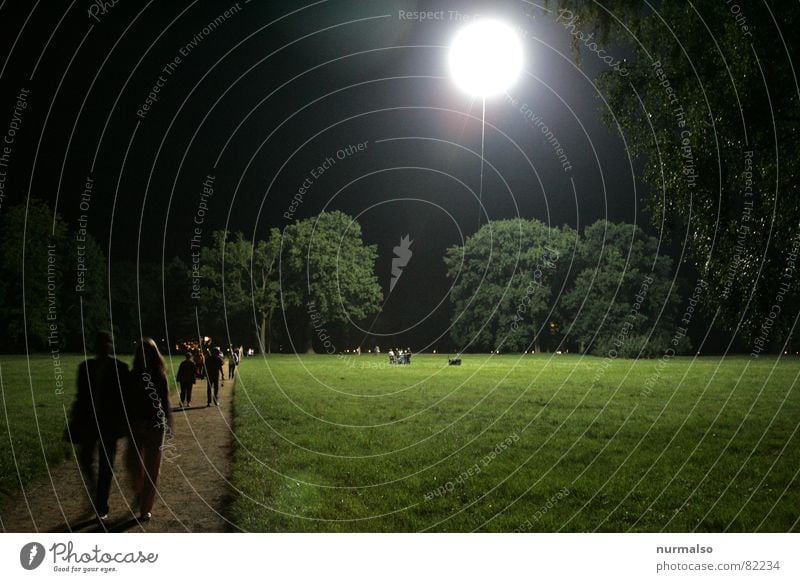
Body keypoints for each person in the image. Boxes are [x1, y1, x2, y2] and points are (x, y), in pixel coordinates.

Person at [67, 330, 129, 521]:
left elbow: (125, 398)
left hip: (109, 423)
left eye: (108, 342)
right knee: (86, 459)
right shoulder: (85, 367)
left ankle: (101, 505)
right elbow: (81, 396)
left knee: (106, 464)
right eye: (102, 342)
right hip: (89, 421)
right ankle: (96, 493)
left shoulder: (120, 368)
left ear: (112, 345)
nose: (105, 346)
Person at [125, 338, 173, 522]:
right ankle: (142, 496)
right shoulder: (136, 375)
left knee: (147, 467)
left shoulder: (154, 375)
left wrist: (167, 422)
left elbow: (164, 401)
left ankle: (145, 507)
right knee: (141, 466)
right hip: (143, 424)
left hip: (150, 425)